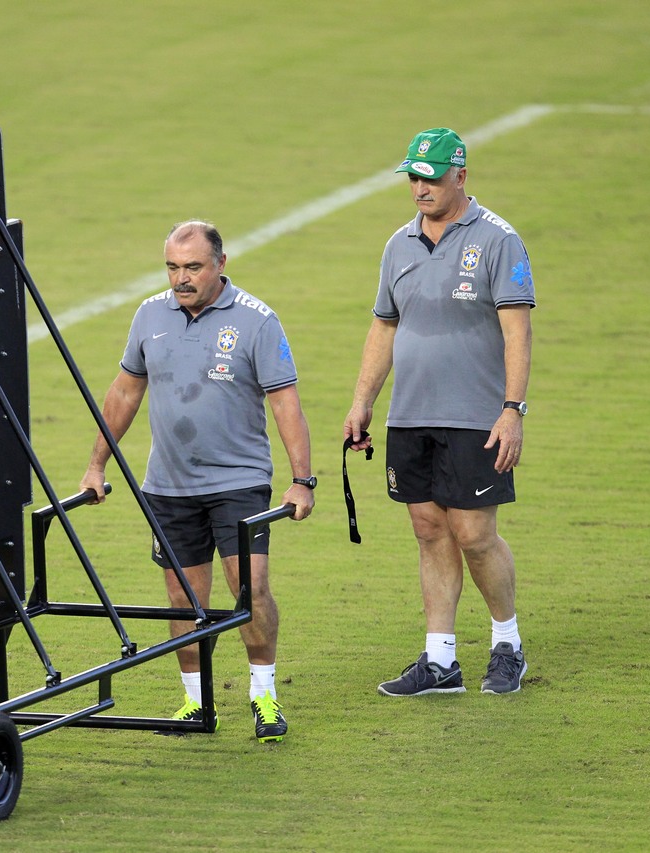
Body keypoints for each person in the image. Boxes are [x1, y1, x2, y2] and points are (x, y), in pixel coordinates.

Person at [80, 219, 315, 742]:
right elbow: (123, 394)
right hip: (168, 486)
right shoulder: (149, 316)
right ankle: (196, 702)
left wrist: (303, 479)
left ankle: (264, 696)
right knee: (183, 600)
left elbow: (286, 404)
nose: (180, 278)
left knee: (248, 591)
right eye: (172, 267)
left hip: (239, 482)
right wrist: (96, 463)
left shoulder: (258, 321)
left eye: (192, 267)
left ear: (221, 265)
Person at [344, 128, 535, 697]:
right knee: (429, 530)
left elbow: (517, 331)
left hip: (477, 415)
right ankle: (440, 659)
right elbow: (385, 325)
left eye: (430, 176)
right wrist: (362, 402)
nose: (419, 186)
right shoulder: (398, 244)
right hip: (411, 414)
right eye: (412, 175)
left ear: (461, 176)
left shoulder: (499, 240)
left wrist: (513, 409)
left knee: (475, 534)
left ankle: (508, 644)